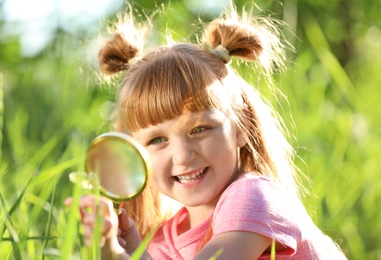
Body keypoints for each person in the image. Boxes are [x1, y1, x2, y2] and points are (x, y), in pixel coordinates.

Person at [65, 6, 347, 259]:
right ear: (136, 154)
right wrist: (123, 251)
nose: (183, 155)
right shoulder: (162, 241)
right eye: (157, 140)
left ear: (242, 125)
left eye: (199, 129)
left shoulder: (252, 197)